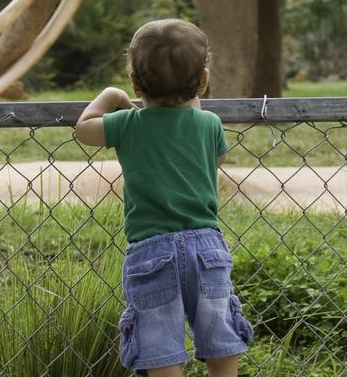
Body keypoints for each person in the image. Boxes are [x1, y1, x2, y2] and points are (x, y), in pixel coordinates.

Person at [74, 18, 253, 376]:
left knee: (160, 348)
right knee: (221, 337)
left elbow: (83, 129)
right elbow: (216, 159)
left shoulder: (128, 124)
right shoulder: (210, 124)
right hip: (207, 248)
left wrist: (111, 96)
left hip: (151, 249)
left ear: (135, 82)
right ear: (202, 81)